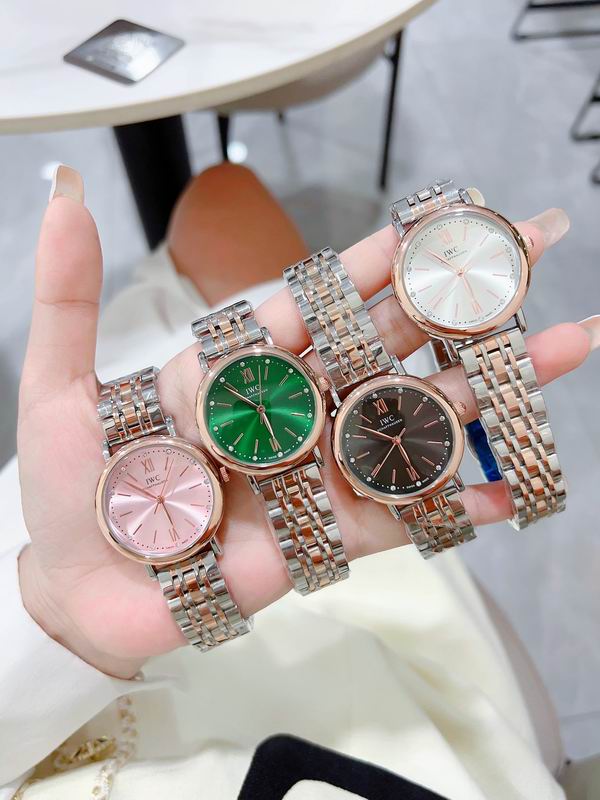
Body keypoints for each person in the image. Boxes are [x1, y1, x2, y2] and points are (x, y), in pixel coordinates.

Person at [0, 163, 597, 799]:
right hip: (414, 698)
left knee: (222, 197)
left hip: (191, 543)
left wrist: (57, 621)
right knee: (224, 202)